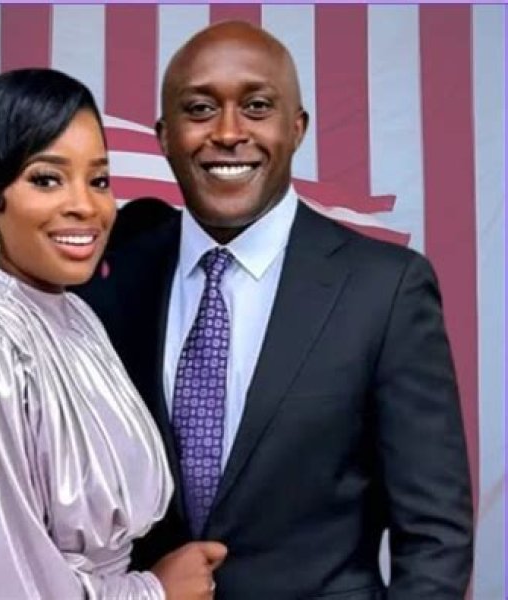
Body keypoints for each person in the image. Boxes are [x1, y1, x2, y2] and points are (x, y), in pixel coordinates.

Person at [75, 21, 474, 599]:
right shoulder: (112, 277)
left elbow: (435, 537)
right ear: (165, 135)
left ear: (297, 127)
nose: (227, 132)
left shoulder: (385, 289)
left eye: (257, 106)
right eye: (200, 109)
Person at [0, 68, 226, 599]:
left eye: (99, 180)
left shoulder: (77, 317)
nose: (86, 206)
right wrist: (153, 593)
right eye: (47, 179)